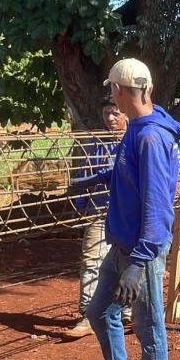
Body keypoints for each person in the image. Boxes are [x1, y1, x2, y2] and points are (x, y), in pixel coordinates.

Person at [77, 58, 180, 360]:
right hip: (122, 244)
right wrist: (98, 178)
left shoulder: (150, 137)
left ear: (121, 91)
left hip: (143, 250)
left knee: (149, 327)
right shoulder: (138, 127)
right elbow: (128, 170)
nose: (111, 97)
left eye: (112, 90)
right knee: (99, 311)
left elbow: (158, 208)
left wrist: (139, 264)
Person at [64, 97, 129, 339]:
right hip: (99, 210)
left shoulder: (134, 140)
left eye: (115, 113)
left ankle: (127, 310)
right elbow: (86, 174)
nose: (110, 119)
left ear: (127, 115)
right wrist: (82, 205)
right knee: (91, 261)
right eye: (106, 114)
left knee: (127, 260)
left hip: (127, 212)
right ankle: (87, 315)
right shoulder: (96, 142)